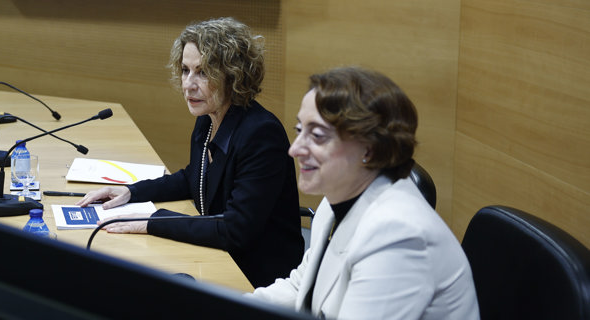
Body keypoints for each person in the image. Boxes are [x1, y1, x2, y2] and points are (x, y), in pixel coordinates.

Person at [77, 17, 304, 288]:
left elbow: (236, 229)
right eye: (185, 70)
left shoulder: (261, 134)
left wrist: (151, 221)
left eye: (203, 72)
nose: (188, 84)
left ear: (233, 75)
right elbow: (194, 178)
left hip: (258, 277)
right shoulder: (208, 119)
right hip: (218, 256)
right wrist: (131, 192)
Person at [250, 67, 479, 319]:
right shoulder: (334, 201)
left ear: (368, 149)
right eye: (298, 130)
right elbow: (300, 287)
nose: (294, 150)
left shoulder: (399, 234)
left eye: (316, 136)